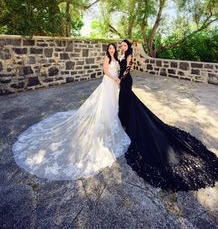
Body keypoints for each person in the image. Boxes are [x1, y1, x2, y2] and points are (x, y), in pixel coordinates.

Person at [12, 43, 131, 180]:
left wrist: (119, 78)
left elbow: (121, 69)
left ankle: (110, 119)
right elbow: (106, 71)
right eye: (110, 48)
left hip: (115, 85)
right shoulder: (107, 58)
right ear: (107, 50)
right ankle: (105, 120)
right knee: (106, 103)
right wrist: (114, 78)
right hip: (109, 82)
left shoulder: (117, 58)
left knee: (113, 103)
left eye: (113, 48)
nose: (112, 50)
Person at [117, 39, 218, 192]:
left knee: (127, 99)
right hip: (122, 81)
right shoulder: (123, 54)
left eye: (125, 45)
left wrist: (121, 78)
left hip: (126, 81)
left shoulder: (129, 56)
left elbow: (128, 69)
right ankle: (125, 118)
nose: (123, 47)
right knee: (125, 100)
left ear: (129, 46)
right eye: (122, 45)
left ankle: (128, 120)